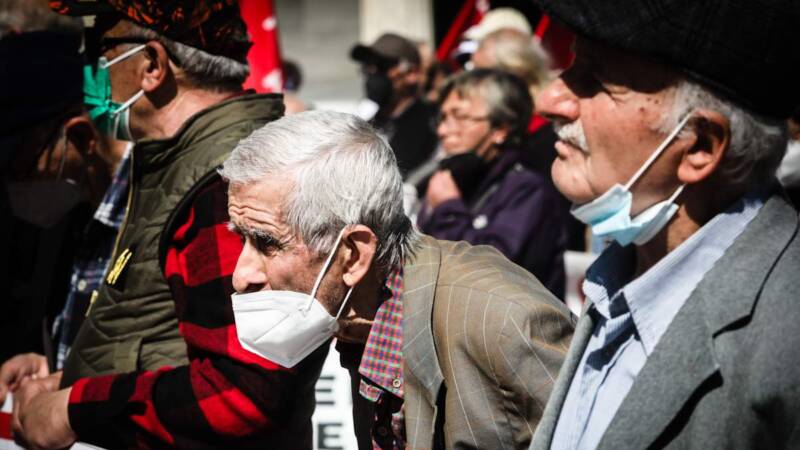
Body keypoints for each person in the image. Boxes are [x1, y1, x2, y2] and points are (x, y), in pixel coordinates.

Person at [9, 1, 320, 448]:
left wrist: (75, 408)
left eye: (102, 47)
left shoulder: (226, 185)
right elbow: (164, 342)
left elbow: (243, 394)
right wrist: (70, 381)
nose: (91, 67)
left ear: (152, 65)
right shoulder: (184, 168)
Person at [526, 0, 800, 449]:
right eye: (572, 63)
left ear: (700, 147)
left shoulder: (783, 343)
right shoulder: (627, 271)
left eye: (594, 79)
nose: (550, 100)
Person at [220, 110, 573, 450]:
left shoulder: (502, 324)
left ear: (354, 255)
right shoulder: (358, 316)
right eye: (243, 239)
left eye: (266, 243)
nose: (241, 276)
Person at [0, 1, 128, 370]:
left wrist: (72, 401)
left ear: (81, 137)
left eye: (19, 166)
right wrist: (51, 369)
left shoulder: (153, 212)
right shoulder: (76, 222)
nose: (12, 187)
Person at [416, 69, 567, 298]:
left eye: (460, 118)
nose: (443, 130)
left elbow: (488, 274)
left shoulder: (528, 191)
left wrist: (447, 207)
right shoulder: (456, 179)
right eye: (443, 118)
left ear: (501, 130)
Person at [351, 32, 438, 177]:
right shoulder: (367, 119)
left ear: (412, 73)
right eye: (367, 65)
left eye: (382, 65)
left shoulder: (431, 122)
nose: (372, 71)